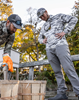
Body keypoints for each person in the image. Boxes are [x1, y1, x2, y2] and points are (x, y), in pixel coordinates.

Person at [37, 8, 79, 100]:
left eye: (43, 15)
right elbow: (39, 38)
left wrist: (65, 32)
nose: (42, 18)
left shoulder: (58, 17)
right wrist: (42, 40)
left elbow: (74, 19)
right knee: (57, 71)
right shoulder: (44, 26)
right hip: (49, 50)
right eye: (40, 17)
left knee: (68, 68)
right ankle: (61, 94)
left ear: (46, 12)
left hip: (61, 46)